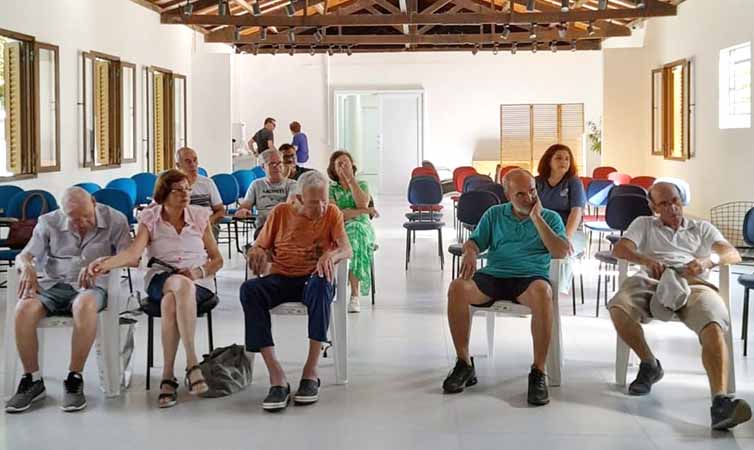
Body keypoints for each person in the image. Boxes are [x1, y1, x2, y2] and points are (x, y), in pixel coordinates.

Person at [607, 182, 751, 430]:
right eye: (664, 203)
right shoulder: (644, 224)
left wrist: (707, 262)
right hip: (652, 280)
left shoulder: (700, 227)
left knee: (714, 322)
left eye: (675, 201)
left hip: (693, 284)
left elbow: (731, 254)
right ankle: (649, 363)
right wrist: (645, 259)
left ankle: (720, 402)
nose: (672, 207)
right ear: (653, 207)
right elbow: (620, 248)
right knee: (618, 307)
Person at [88, 169, 224, 409]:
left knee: (172, 300)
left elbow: (216, 259)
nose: (185, 194)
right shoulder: (150, 218)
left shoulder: (200, 216)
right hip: (161, 278)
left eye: (187, 189)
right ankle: (192, 362)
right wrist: (104, 263)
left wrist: (197, 272)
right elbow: (133, 254)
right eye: (178, 190)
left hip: (198, 282)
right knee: (179, 285)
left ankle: (167, 376)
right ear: (163, 194)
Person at [442, 169, 568, 406]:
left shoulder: (550, 218)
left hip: (530, 278)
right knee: (457, 288)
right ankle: (464, 364)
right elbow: (475, 241)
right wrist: (470, 251)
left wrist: (537, 218)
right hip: (496, 274)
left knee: (543, 292)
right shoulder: (494, 214)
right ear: (507, 194)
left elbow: (560, 252)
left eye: (532, 191)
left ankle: (538, 371)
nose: (528, 198)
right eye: (520, 194)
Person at [5, 187, 132, 413]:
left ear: (93, 202)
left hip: (92, 285)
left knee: (84, 305)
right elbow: (24, 255)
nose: (82, 223)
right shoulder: (48, 222)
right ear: (63, 213)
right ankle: (32, 380)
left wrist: (103, 263)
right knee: (23, 309)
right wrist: (27, 267)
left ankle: (74, 378)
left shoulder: (115, 219)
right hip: (53, 284)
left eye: (86, 216)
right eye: (74, 219)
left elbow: (129, 256)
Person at [240, 170, 352, 412]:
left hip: (312, 280)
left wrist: (330, 255)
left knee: (322, 284)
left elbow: (346, 249)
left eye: (324, 200)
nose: (321, 207)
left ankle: (311, 371)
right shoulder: (280, 213)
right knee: (249, 290)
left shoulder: (332, 213)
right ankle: (276, 375)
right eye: (314, 202)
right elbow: (259, 245)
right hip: (282, 277)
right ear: (299, 199)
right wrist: (257, 251)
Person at [327, 150, 377, 313]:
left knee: (355, 234)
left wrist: (350, 180)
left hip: (361, 228)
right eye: (339, 164)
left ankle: (354, 294)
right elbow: (337, 214)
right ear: (333, 169)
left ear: (352, 166)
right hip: (339, 226)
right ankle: (337, 287)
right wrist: (363, 211)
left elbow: (362, 202)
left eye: (346, 163)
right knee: (346, 235)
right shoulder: (330, 189)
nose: (343, 166)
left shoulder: (362, 184)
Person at [234, 149, 296, 239]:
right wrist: (243, 210)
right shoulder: (256, 184)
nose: (277, 167)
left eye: (279, 163)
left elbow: (290, 206)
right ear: (263, 167)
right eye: (272, 164)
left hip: (285, 227)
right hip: (263, 228)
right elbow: (246, 205)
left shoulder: (292, 184)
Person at [534, 144, 586, 243]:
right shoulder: (537, 181)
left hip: (568, 230)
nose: (564, 162)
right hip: (542, 229)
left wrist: (566, 237)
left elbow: (576, 211)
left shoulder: (574, 182)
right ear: (548, 161)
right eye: (558, 158)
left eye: (567, 159)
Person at [174, 147, 225, 239]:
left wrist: (208, 222)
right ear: (178, 165)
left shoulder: (207, 183)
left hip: (206, 224)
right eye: (188, 161)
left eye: (195, 160)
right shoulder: (171, 184)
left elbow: (220, 211)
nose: (193, 164)